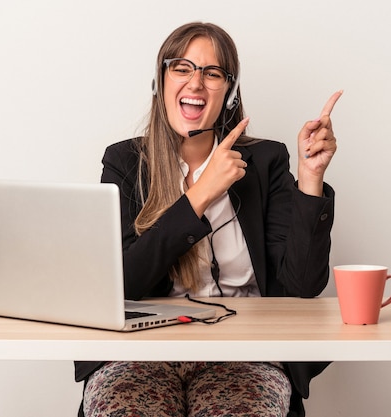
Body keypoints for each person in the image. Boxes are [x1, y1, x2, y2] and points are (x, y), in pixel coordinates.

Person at [75, 21, 342, 417]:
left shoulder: (265, 162)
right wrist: (199, 196)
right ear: (160, 82)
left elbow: (302, 288)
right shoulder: (125, 163)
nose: (196, 83)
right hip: (138, 356)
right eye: (181, 67)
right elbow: (121, 285)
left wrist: (311, 179)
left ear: (230, 93)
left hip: (245, 355)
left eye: (212, 73)